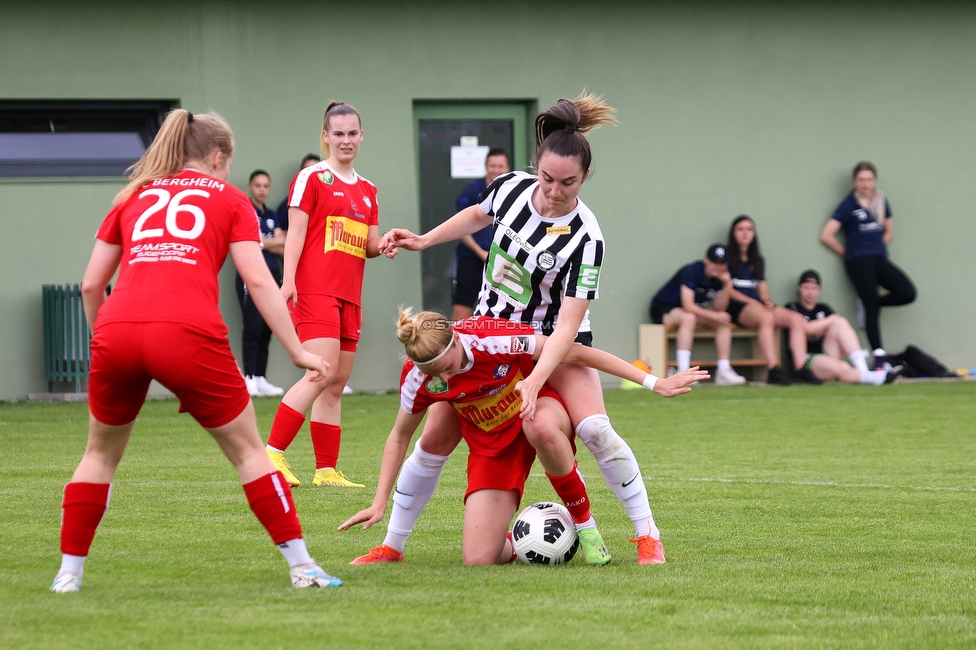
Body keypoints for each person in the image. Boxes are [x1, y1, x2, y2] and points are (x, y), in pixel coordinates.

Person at [50, 109, 341, 593]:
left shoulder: (132, 195)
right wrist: (297, 350)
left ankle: (68, 574)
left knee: (98, 455)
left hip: (117, 327)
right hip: (187, 329)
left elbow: (90, 285)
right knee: (250, 452)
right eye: (229, 162)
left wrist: (105, 338)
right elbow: (256, 279)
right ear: (217, 157)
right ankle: (302, 566)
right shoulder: (230, 199)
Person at [377, 92, 672, 565]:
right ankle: (390, 545)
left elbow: (569, 326)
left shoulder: (587, 237)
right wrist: (425, 238)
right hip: (489, 335)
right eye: (548, 178)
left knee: (595, 428)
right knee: (433, 437)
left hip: (550, 342)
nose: (555, 192)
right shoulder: (512, 187)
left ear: (586, 178)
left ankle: (646, 536)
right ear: (536, 167)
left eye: (568, 184)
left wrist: (534, 379)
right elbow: (478, 216)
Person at [339, 309, 707, 566]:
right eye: (436, 375)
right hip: (491, 446)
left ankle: (590, 530)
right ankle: (513, 541)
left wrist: (654, 382)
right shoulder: (419, 377)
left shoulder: (491, 339)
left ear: (456, 343)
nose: (446, 381)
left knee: (553, 427)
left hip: (533, 409)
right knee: (478, 559)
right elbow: (399, 436)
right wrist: (378, 501)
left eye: (447, 368)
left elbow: (574, 351)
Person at [265, 102, 380, 489]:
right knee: (321, 371)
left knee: (336, 381)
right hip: (315, 289)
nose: (345, 140)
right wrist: (288, 281)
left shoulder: (368, 190)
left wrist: (391, 243)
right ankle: (272, 455)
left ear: (361, 136)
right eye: (338, 134)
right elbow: (294, 234)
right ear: (325, 136)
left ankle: (326, 470)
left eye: (352, 133)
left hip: (351, 296)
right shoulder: (311, 178)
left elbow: (370, 244)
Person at [819, 161, 916, 369]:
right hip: (857, 260)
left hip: (878, 258)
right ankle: (880, 361)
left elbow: (889, 229)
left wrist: (879, 244)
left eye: (869, 179)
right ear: (855, 181)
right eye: (861, 179)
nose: (865, 183)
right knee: (871, 306)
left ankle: (869, 303)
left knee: (907, 292)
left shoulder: (880, 201)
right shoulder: (848, 205)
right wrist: (847, 252)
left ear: (875, 181)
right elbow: (826, 235)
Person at [724, 215, 821, 385]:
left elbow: (762, 287)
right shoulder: (727, 258)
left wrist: (766, 301)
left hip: (758, 305)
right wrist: (753, 302)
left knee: (796, 318)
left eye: (749, 229)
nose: (745, 233)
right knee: (766, 317)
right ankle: (773, 369)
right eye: (740, 229)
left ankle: (800, 368)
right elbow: (728, 290)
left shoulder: (758, 259)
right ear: (733, 233)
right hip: (738, 307)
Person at [649, 243, 746, 386]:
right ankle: (683, 370)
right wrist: (714, 316)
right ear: (706, 260)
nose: (718, 267)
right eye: (715, 262)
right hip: (664, 308)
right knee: (689, 317)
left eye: (722, 263)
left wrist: (726, 286)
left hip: (690, 312)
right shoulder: (691, 271)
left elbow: (720, 307)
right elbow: (688, 305)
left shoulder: (721, 277)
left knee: (723, 320)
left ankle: (724, 370)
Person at [785, 270, 901, 384]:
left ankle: (864, 370)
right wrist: (829, 321)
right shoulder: (792, 307)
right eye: (806, 288)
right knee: (842, 366)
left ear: (819, 290)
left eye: (814, 288)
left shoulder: (823, 308)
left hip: (825, 352)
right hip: (806, 359)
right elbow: (806, 329)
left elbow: (835, 324)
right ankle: (875, 377)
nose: (810, 292)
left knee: (840, 322)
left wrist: (823, 325)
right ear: (799, 288)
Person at [236, 169, 286, 397]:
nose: (262, 190)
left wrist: (265, 242)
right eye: (258, 185)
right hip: (251, 273)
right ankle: (248, 378)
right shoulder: (246, 210)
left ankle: (260, 377)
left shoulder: (272, 213)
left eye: (266, 186)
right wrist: (270, 242)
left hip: (273, 273)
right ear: (250, 187)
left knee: (268, 327)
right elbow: (250, 241)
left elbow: (282, 244)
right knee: (253, 327)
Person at [451, 148, 510, 321]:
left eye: (500, 166)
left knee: (503, 313)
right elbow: (460, 227)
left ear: (507, 168)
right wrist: (481, 253)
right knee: (462, 310)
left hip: (504, 262)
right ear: (486, 166)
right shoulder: (472, 191)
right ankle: (459, 347)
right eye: (492, 166)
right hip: (471, 258)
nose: (496, 170)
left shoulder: (515, 194)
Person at [276, 153, 321, 230]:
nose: (311, 175)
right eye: (307, 170)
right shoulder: (290, 203)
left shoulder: (331, 200)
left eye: (316, 171)